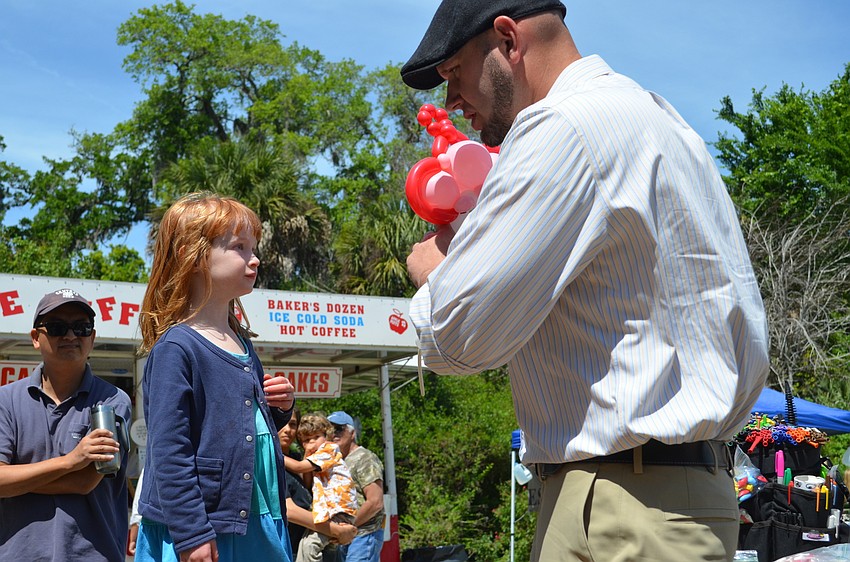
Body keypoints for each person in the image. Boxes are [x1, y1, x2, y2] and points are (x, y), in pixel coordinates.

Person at [401, 1, 771, 561]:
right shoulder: (659, 118)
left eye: (454, 74)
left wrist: (435, 266)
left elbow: (459, 337)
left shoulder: (564, 126)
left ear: (507, 40)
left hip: (624, 506)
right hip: (663, 496)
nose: (449, 101)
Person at [135, 192, 296, 562]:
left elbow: (237, 428)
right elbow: (169, 449)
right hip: (203, 528)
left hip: (256, 519)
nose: (255, 258)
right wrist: (191, 533)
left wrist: (279, 408)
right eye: (239, 247)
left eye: (254, 247)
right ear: (193, 256)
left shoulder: (242, 343)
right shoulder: (177, 346)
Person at [0, 288, 132, 561]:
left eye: (82, 327)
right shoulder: (6, 399)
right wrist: (72, 460)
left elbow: (85, 482)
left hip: (94, 555)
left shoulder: (113, 401)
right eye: (58, 327)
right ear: (36, 338)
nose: (71, 336)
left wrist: (16, 479)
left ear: (92, 338)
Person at [278, 409, 357, 558]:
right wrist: (336, 531)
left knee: (310, 548)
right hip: (292, 545)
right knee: (309, 548)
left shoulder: (325, 451)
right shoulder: (272, 462)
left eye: (293, 424)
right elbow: (290, 510)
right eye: (307, 440)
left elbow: (302, 474)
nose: (287, 430)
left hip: (334, 513)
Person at [327, 411, 386, 562]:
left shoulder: (364, 458)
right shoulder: (337, 460)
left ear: (352, 433)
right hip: (347, 535)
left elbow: (375, 502)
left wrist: (348, 525)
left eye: (339, 429)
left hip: (364, 535)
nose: (334, 433)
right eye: (329, 429)